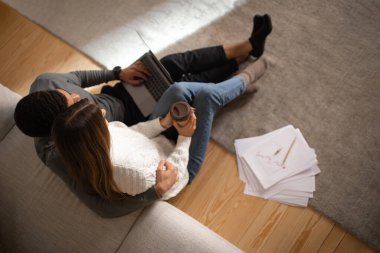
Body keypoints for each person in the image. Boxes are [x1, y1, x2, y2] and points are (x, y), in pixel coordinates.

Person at [14, 14, 272, 216]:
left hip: (128, 114)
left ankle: (245, 51)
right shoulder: (72, 151)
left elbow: (80, 81)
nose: (75, 95)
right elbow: (103, 204)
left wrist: (118, 73)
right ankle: (244, 74)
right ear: (66, 127)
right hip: (140, 127)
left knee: (170, 66)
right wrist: (156, 189)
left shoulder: (48, 86)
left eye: (68, 93)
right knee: (190, 89)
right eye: (72, 103)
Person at [51, 58, 268, 201]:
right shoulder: (131, 173)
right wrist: (184, 137)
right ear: (94, 134)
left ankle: (228, 91)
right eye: (100, 116)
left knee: (178, 89)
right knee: (208, 98)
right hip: (181, 169)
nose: (103, 112)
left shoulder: (91, 140)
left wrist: (162, 123)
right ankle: (242, 81)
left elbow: (133, 134)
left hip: (157, 142)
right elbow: (172, 177)